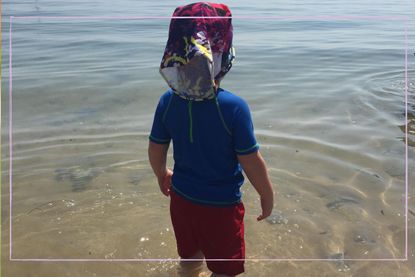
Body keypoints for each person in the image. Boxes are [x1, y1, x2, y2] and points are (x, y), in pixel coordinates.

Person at [148, 2, 274, 276]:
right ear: (222, 51)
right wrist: (266, 194)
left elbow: (156, 148)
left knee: (190, 260)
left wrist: (161, 174)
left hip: (181, 202)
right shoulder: (233, 107)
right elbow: (251, 161)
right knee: (224, 270)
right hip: (221, 209)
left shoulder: (168, 102)